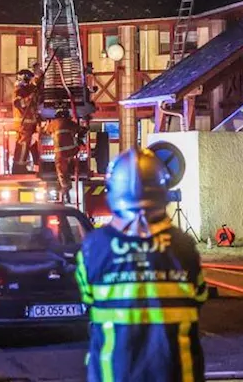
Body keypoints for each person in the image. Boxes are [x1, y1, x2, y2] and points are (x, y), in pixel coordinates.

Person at [75, 148, 207, 382]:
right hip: (175, 374)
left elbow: (87, 299)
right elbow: (199, 297)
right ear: (162, 191)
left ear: (114, 192)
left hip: (114, 374)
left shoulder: (93, 248)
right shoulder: (183, 247)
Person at [10, 68, 41, 174]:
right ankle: (19, 167)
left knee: (31, 145)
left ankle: (37, 164)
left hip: (30, 123)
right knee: (23, 145)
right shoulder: (18, 90)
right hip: (24, 124)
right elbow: (19, 103)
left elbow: (34, 88)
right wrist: (30, 98)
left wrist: (38, 79)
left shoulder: (27, 89)